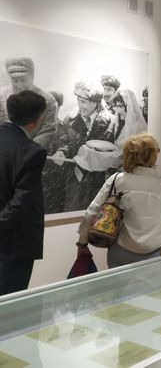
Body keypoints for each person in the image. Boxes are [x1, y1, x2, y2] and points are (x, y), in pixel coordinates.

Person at [76, 133, 161, 268]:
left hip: (121, 250)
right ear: (153, 156)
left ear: (128, 155)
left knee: (118, 282)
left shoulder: (117, 180)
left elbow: (91, 212)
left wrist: (82, 243)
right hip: (155, 251)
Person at [0, 90, 48, 295]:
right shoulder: (32, 152)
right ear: (36, 120)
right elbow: (20, 202)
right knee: (10, 303)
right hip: (14, 243)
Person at [53, 81, 116, 211]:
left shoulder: (112, 122)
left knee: (97, 218)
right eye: (78, 101)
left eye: (83, 102)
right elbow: (67, 141)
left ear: (95, 103)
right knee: (71, 216)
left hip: (100, 182)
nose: (79, 106)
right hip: (75, 182)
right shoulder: (70, 120)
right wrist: (62, 151)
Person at [0, 57, 57, 149]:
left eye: (23, 80)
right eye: (15, 81)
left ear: (32, 77)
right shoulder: (1, 96)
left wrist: (27, 151)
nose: (19, 86)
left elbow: (48, 131)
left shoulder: (48, 100)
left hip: (30, 153)